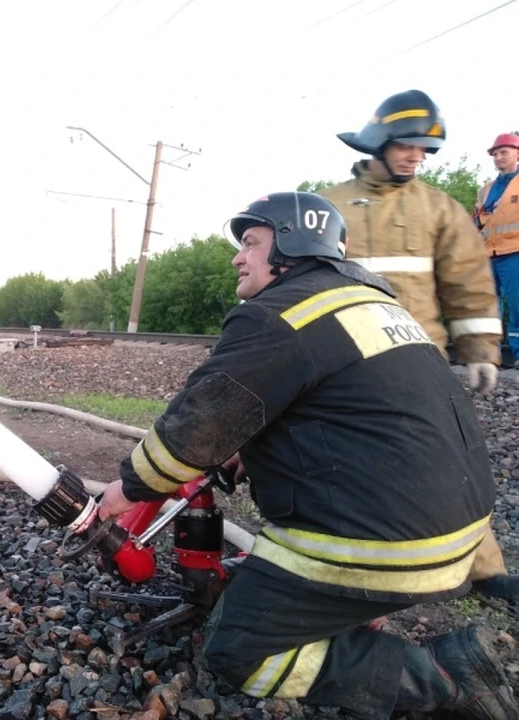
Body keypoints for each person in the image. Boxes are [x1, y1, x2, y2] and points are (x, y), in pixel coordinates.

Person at [97, 192, 516, 720]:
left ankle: (441, 676)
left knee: (240, 650)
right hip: (458, 531)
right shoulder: (373, 305)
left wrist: (127, 488)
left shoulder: (276, 315)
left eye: (250, 242)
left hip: (390, 552)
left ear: (291, 246)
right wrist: (257, 450)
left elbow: (195, 430)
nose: (237, 257)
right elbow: (357, 413)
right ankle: (348, 615)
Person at [317, 89, 519, 602]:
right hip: (345, 363)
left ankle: (485, 570)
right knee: (340, 464)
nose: (416, 156)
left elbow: (469, 282)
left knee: (452, 461)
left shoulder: (439, 209)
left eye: (425, 150)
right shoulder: (332, 205)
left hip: (419, 362)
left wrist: (481, 350)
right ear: (380, 142)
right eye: (408, 145)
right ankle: (342, 569)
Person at [475, 132, 519, 368]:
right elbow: (477, 221)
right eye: (495, 153)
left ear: (517, 154)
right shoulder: (486, 189)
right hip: (488, 254)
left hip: (515, 252)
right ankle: (489, 356)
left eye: (504, 152)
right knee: (487, 306)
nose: (498, 157)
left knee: (518, 304)